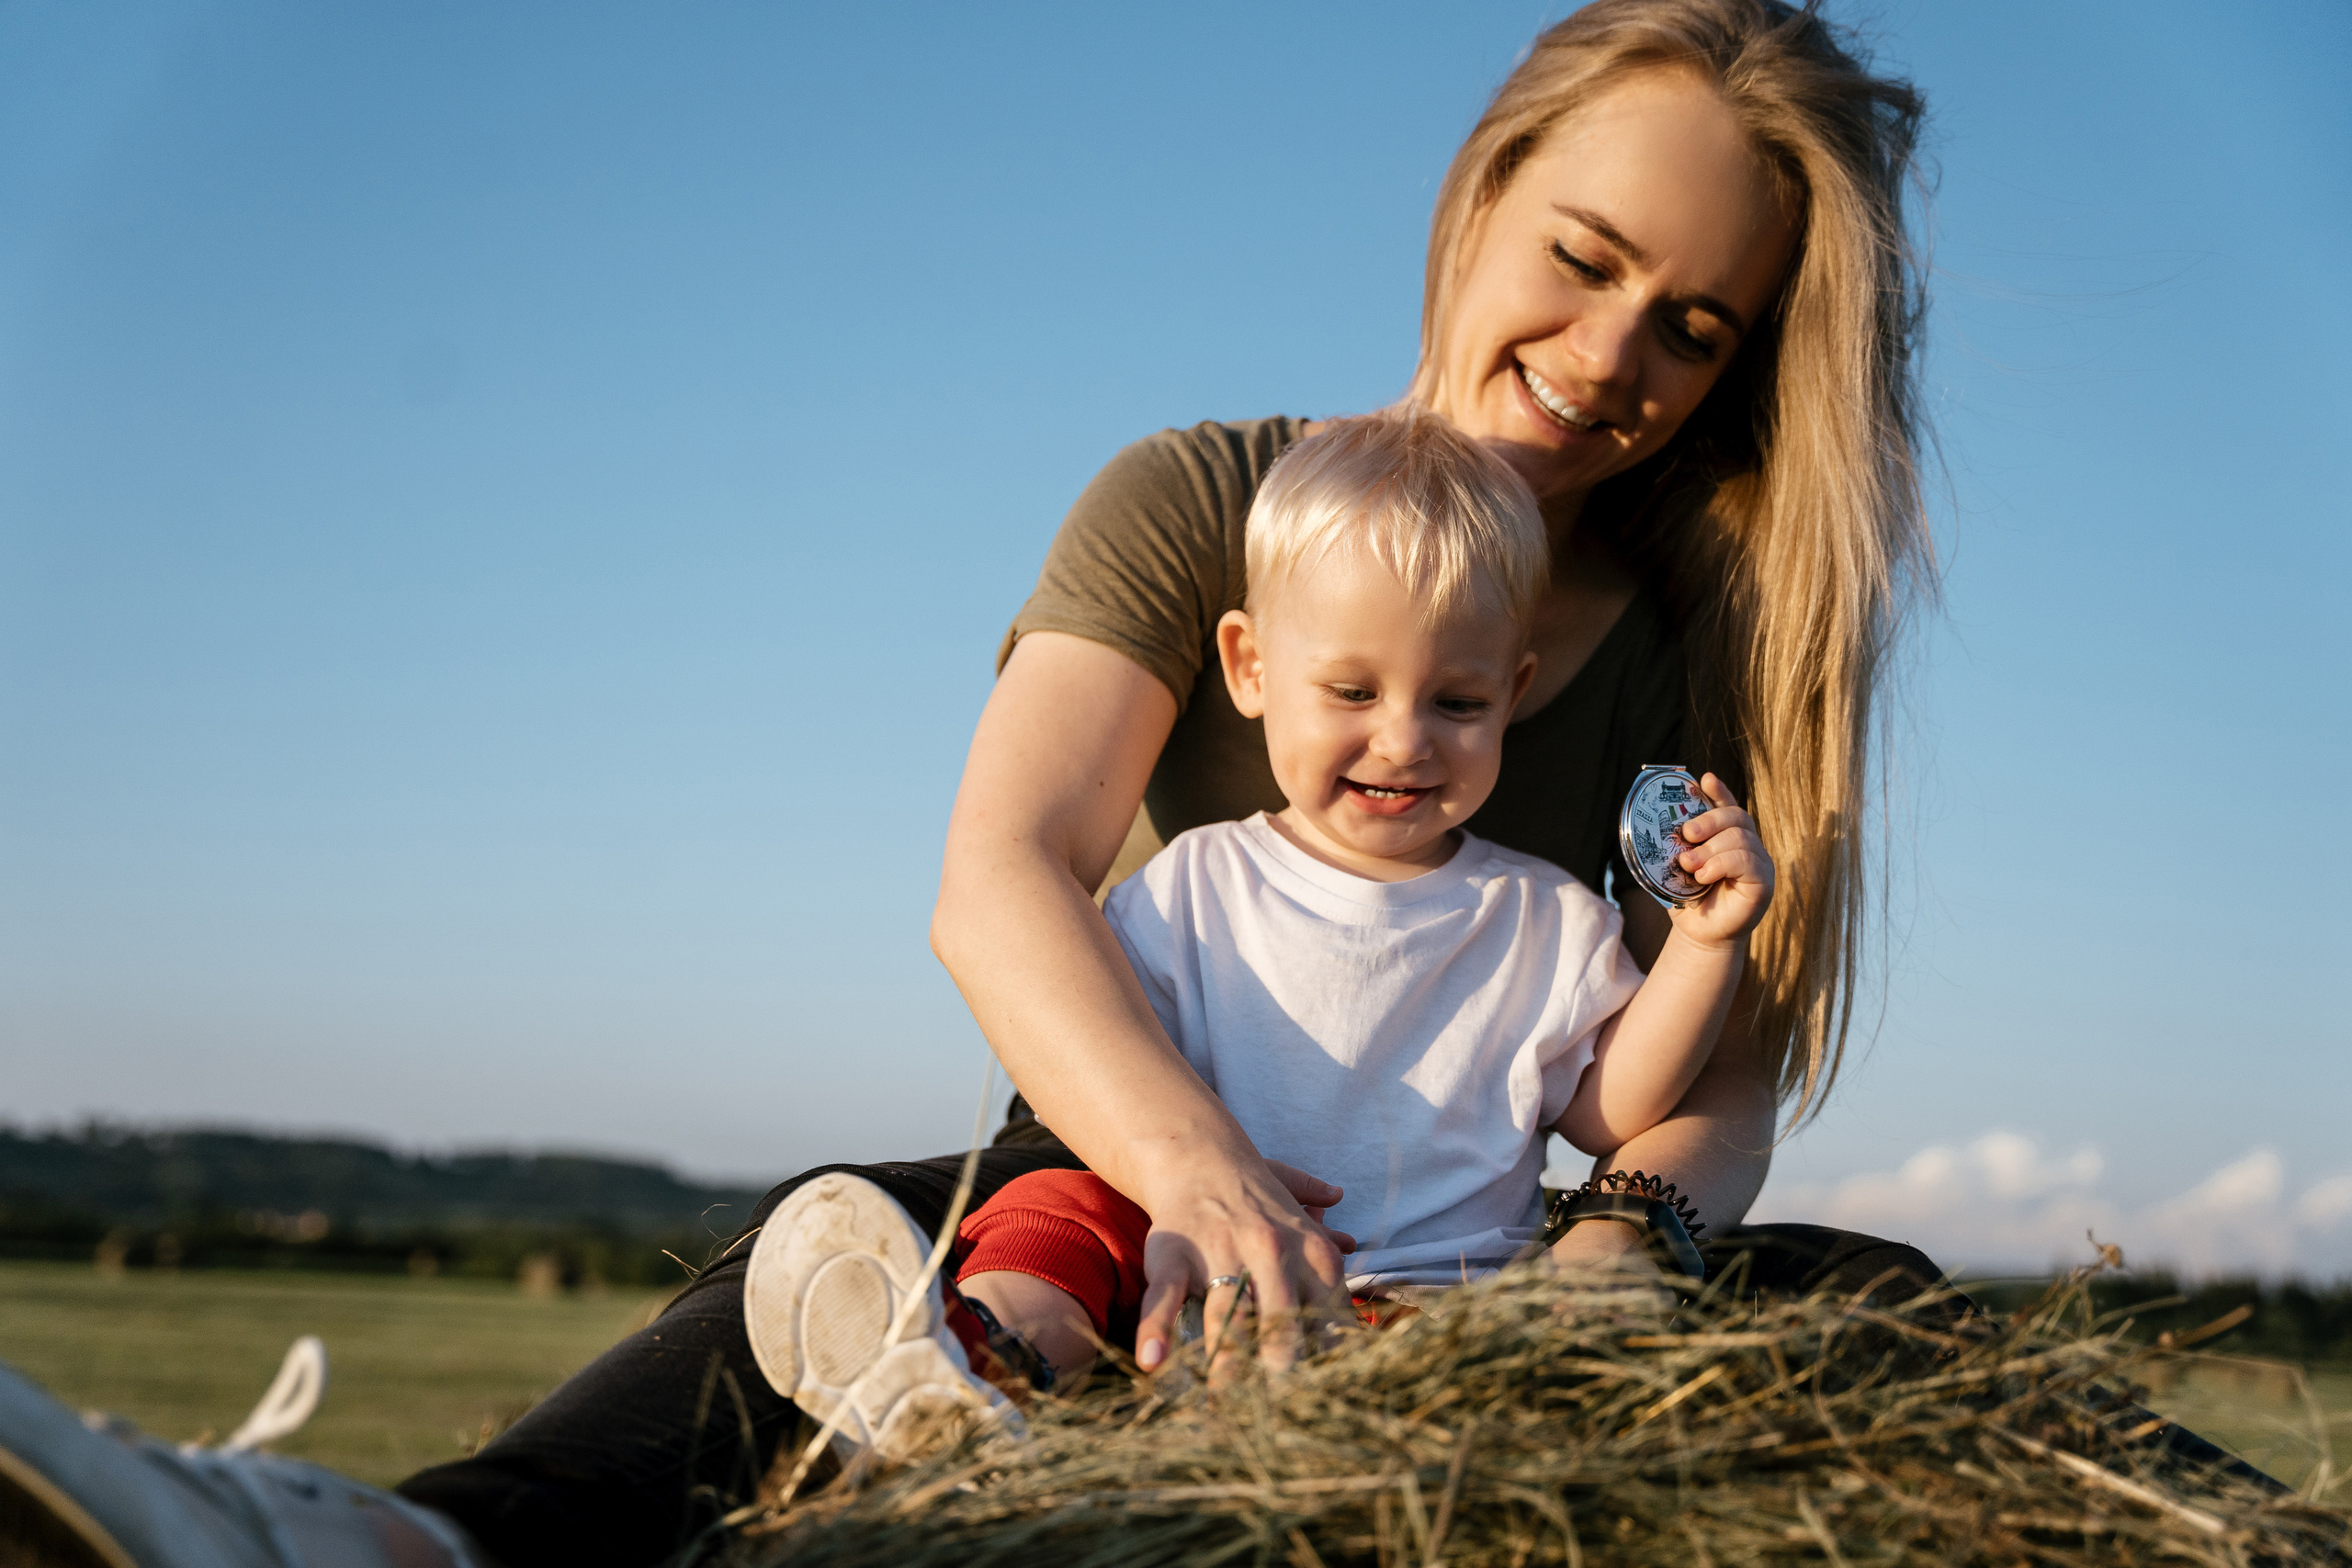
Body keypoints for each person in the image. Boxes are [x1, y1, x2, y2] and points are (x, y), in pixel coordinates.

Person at [0, 5, 1954, 1564]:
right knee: (851, 1241)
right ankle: (404, 1543)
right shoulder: (1200, 499)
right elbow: (1004, 871)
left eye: (1690, 329)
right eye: (1583, 256)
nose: (1608, 352)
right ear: (1482, 189)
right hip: (1124, 1164)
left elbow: (1708, 1073)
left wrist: (1620, 1251)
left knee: (1889, 1305)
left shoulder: (1717, 646)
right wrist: (1195, 1170)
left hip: (1466, 1240)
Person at [743, 406, 1781, 1451]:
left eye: (1457, 703)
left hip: (1437, 1294)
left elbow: (1613, 1113)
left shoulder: (1545, 917)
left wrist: (1701, 946)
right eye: (1350, 690)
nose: (1404, 739)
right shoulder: (1195, 883)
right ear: (1247, 667)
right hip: (1184, 1258)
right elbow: (1103, 1065)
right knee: (1053, 1208)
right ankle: (982, 1370)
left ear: (1512, 695)